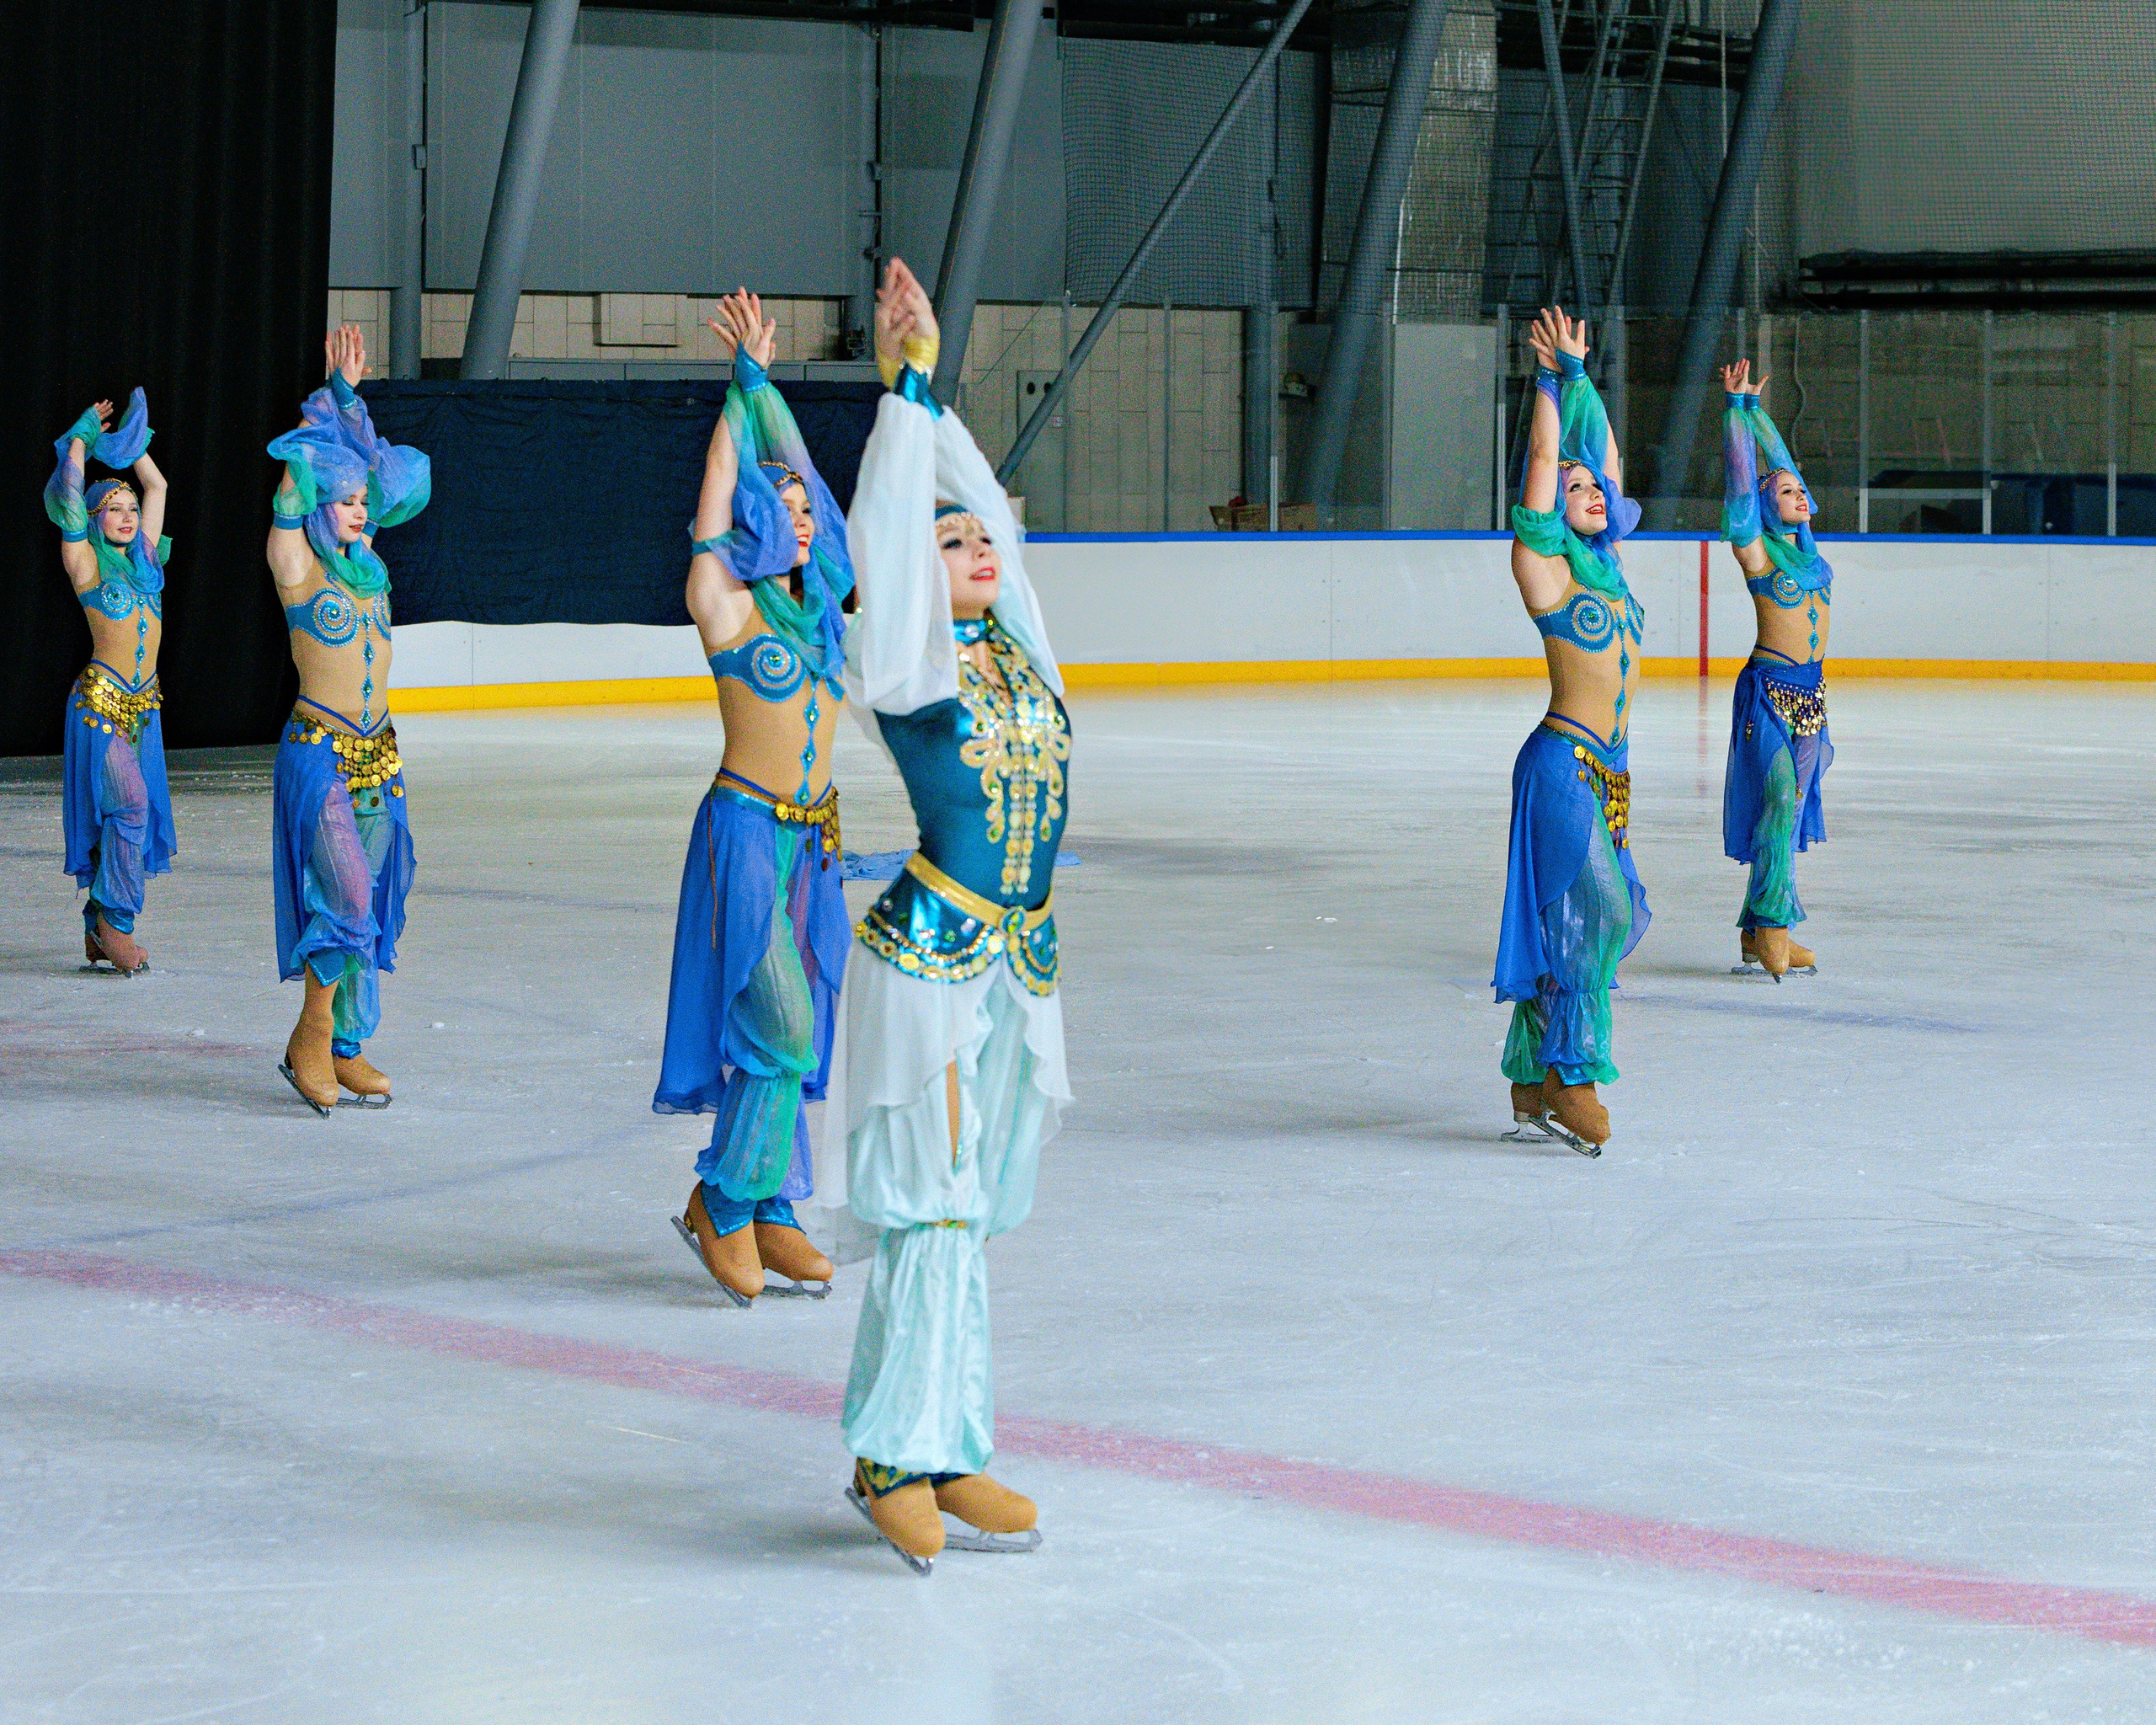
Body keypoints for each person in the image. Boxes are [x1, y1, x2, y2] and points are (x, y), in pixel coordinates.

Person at [830, 258, 1073, 1573]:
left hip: (1016, 965)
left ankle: (954, 1444)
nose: (976, 549)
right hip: (930, 958)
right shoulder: (908, 663)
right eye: (953, 546)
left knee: (968, 1210)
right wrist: (902, 397)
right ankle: (888, 1453)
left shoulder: (1020, 644)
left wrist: (945, 399)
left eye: (981, 540)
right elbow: (890, 536)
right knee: (930, 1205)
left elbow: (993, 518)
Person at [654, 288, 852, 1305]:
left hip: (815, 845)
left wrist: (776, 393)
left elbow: (811, 480)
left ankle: (770, 1204)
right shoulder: (723, 601)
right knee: (776, 1024)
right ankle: (721, 1201)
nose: (808, 517)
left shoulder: (821, 614)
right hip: (746, 835)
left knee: (802, 1026)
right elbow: (717, 496)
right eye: (793, 507)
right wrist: (741, 393)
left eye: (815, 507)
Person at [1495, 307, 1651, 1156]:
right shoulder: (1544, 568)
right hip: (1560, 765)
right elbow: (1548, 461)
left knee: (1580, 922)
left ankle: (1528, 1078)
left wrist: (1586, 375)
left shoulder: (1611, 571)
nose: (1590, 489)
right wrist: (1549, 384)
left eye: (1600, 488)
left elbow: (1605, 457)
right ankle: (1573, 1075)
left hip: (1612, 774)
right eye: (1576, 486)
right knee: (1598, 909)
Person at [264, 324, 430, 1114]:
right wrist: (334, 399)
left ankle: (347, 1045)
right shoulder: (296, 564)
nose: (359, 511)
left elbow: (374, 473)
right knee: (349, 896)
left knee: (374, 898)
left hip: (381, 755)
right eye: (346, 501)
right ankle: (309, 1039)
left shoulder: (375, 570)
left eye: (364, 501)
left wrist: (356, 408)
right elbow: (296, 486)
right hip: (321, 755)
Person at [45, 390, 176, 974]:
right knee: (129, 807)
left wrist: (129, 446)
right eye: (114, 509)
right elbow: (70, 501)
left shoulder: (147, 561)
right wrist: (80, 440)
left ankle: (96, 928)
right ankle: (116, 923)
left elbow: (160, 488)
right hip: (99, 705)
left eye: (129, 508)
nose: (126, 516)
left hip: (144, 708)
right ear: (96, 519)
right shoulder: (86, 562)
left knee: (124, 815)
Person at [1718, 358, 1833, 980]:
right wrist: (1736, 414)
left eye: (1801, 489)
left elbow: (1783, 465)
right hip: (1768, 693)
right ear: (1766, 507)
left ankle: (1756, 930)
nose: (1799, 494)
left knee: (1783, 816)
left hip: (1812, 697)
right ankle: (1775, 929)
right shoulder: (1757, 550)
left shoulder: (1809, 555)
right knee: (1780, 800)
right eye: (1786, 491)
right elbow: (1743, 489)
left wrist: (1762, 415)